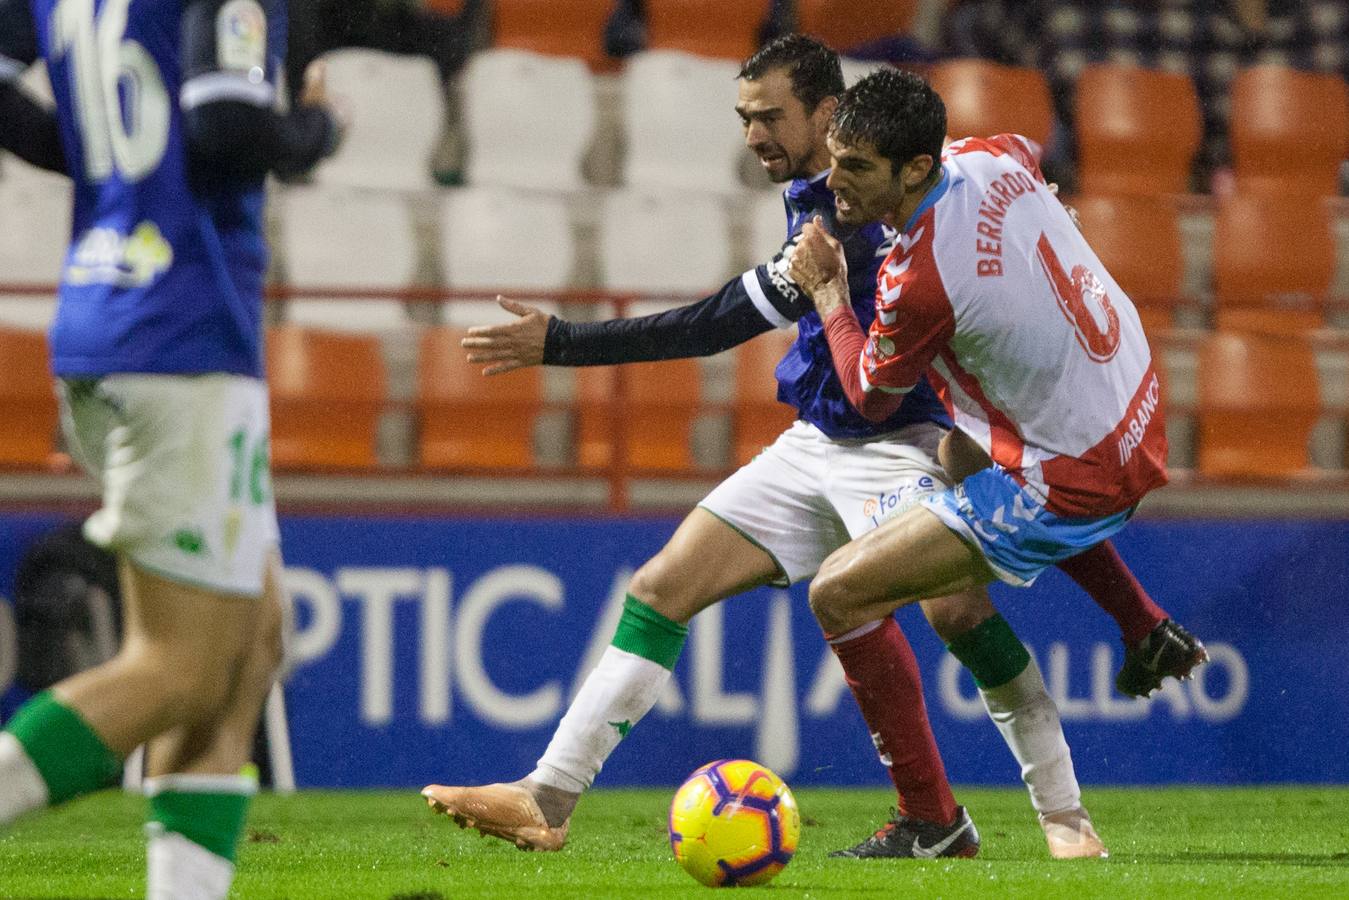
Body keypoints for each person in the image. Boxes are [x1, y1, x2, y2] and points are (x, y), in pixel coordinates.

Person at [423, 35, 1199, 861]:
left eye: (769, 117)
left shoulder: (868, 223)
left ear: (830, 114)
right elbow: (1010, 154)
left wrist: (564, 343)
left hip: (907, 444)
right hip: (815, 444)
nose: (752, 135)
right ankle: (546, 797)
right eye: (742, 117)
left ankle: (1040, 816)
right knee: (659, 588)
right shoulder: (838, 186)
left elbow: (718, 324)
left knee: (954, 608)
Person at [0, 2, 342, 898]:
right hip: (181, 331)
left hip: (111, 311)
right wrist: (314, 129)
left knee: (250, 644)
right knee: (182, 667)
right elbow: (226, 126)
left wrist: (112, 172)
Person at [786, 69, 1178, 679]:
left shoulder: (920, 278)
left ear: (915, 169)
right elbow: (1028, 149)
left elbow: (870, 398)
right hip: (1136, 408)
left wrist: (830, 292)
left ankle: (1016, 774)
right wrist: (1042, 200)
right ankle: (1145, 626)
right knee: (961, 452)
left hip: (1080, 478)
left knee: (835, 593)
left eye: (856, 168)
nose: (833, 183)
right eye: (834, 161)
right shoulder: (986, 153)